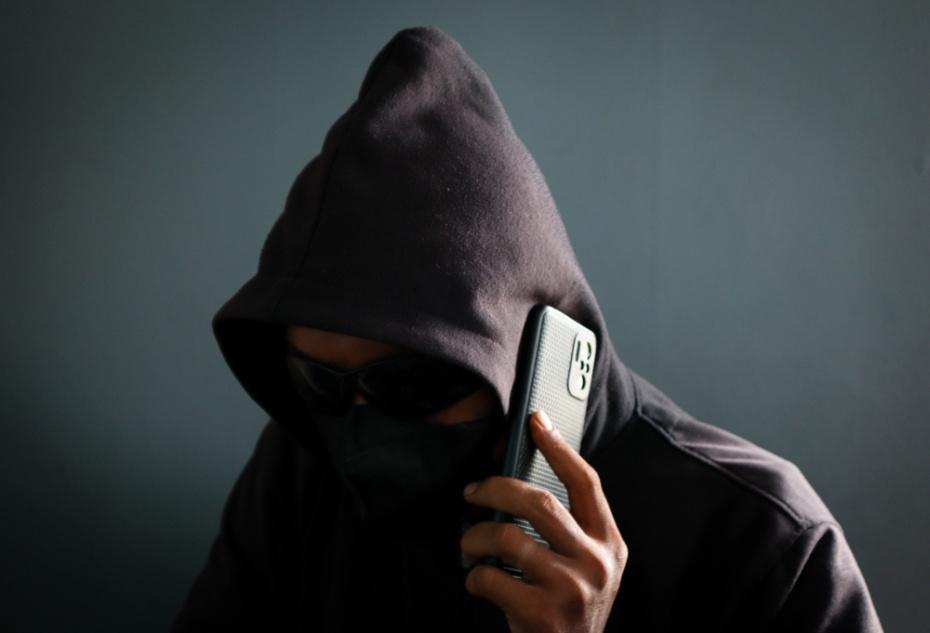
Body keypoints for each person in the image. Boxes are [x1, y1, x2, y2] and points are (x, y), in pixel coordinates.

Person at [171, 25, 884, 632]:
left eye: (410, 385)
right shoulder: (300, 476)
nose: (361, 429)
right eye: (322, 381)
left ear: (518, 352)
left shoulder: (767, 546)